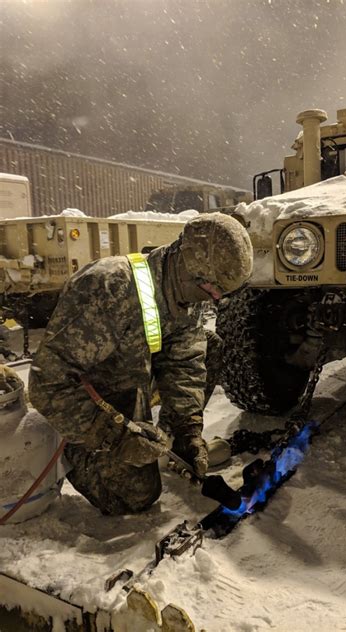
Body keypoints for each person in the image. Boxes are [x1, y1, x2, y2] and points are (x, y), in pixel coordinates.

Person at [29, 213, 253, 516]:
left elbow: (185, 363)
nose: (213, 301)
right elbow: (47, 384)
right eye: (212, 291)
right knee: (136, 496)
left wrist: (188, 431)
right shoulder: (108, 288)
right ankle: (78, 453)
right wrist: (115, 436)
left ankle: (167, 445)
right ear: (189, 268)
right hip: (88, 403)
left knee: (208, 346)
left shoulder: (185, 292)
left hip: (133, 379)